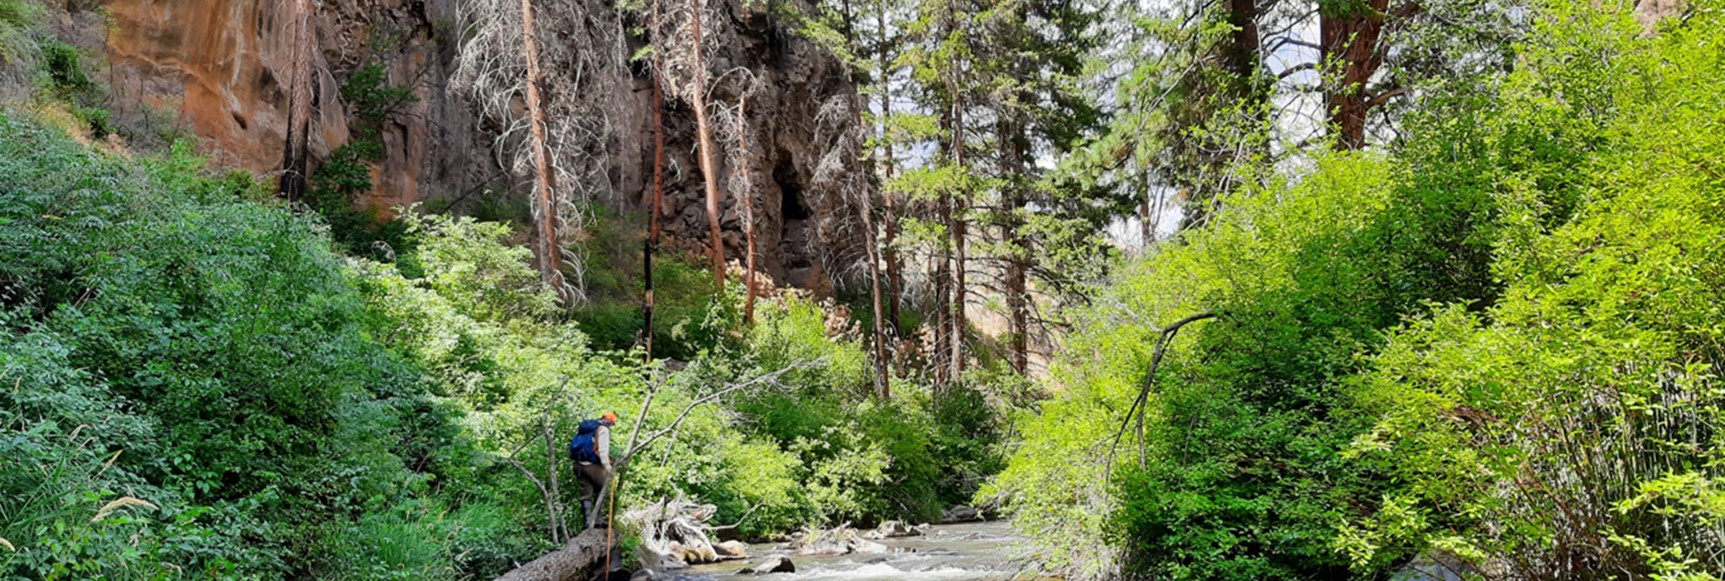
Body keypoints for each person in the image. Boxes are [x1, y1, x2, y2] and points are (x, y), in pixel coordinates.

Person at [569, 411, 617, 525]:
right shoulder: (603, 430)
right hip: (592, 465)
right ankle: (597, 519)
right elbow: (602, 451)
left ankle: (587, 521)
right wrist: (608, 468)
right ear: (610, 423)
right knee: (603, 489)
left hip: (578, 464)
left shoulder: (587, 428)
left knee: (587, 492)